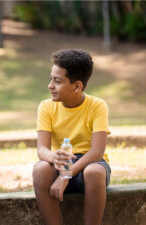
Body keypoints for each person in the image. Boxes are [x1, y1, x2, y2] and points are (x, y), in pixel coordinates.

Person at [32, 49, 111, 225]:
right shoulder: (46, 107)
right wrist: (53, 157)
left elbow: (97, 152)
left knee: (94, 172)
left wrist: (65, 176)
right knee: (40, 169)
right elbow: (42, 149)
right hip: (60, 161)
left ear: (77, 86)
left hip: (90, 164)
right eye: (51, 79)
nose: (50, 85)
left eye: (57, 81)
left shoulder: (97, 106)